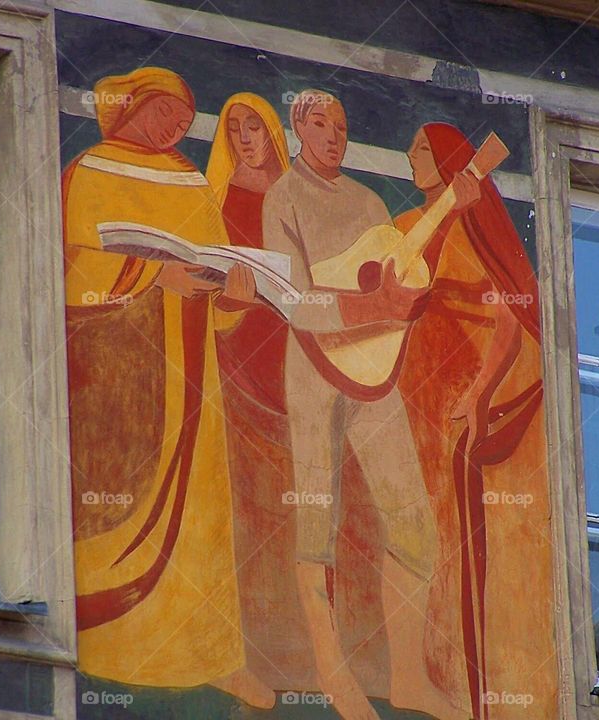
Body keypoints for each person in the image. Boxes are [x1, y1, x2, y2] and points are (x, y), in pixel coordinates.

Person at [262, 89, 478, 720]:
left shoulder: (370, 202)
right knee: (315, 519)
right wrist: (371, 307)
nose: (335, 135)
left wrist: (415, 278)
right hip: (311, 370)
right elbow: (294, 302)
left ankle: (407, 678)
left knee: (414, 521)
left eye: (343, 126)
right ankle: (335, 678)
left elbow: (402, 282)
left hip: (375, 369)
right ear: (300, 127)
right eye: (322, 123)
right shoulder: (284, 198)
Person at [62, 67, 272, 708]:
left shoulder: (189, 178)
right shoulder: (89, 171)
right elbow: (65, 269)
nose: (177, 129)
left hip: (193, 369)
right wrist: (153, 278)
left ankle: (209, 654)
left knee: (201, 518)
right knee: (116, 503)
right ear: (134, 106)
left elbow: (214, 277)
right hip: (116, 371)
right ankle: (98, 645)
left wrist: (234, 297)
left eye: (185, 123)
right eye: (167, 115)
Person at [397, 122, 554, 720]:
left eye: (419, 148)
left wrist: (483, 392)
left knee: (464, 539)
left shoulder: (472, 226)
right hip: (423, 398)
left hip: (465, 398)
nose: (409, 155)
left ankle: (480, 689)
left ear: (443, 158)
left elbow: (510, 315)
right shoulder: (427, 222)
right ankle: (437, 676)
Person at [204, 93, 307, 678]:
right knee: (246, 501)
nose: (245, 137)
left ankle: (300, 648)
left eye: (254, 127)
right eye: (233, 127)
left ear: (272, 133)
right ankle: (241, 647)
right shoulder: (214, 201)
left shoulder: (297, 203)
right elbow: (200, 282)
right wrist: (230, 302)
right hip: (237, 363)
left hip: (298, 363)